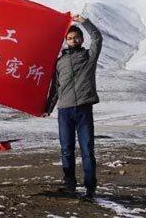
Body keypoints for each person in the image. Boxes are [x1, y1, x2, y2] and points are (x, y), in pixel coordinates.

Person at [45, 14, 102, 199]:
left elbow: (98, 38)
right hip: (65, 111)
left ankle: (90, 187)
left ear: (81, 39)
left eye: (76, 37)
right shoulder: (59, 62)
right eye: (70, 38)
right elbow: (55, 87)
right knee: (66, 149)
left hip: (84, 109)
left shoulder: (89, 57)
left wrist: (84, 22)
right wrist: (48, 107)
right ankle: (69, 184)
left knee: (87, 149)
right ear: (66, 41)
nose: (73, 40)